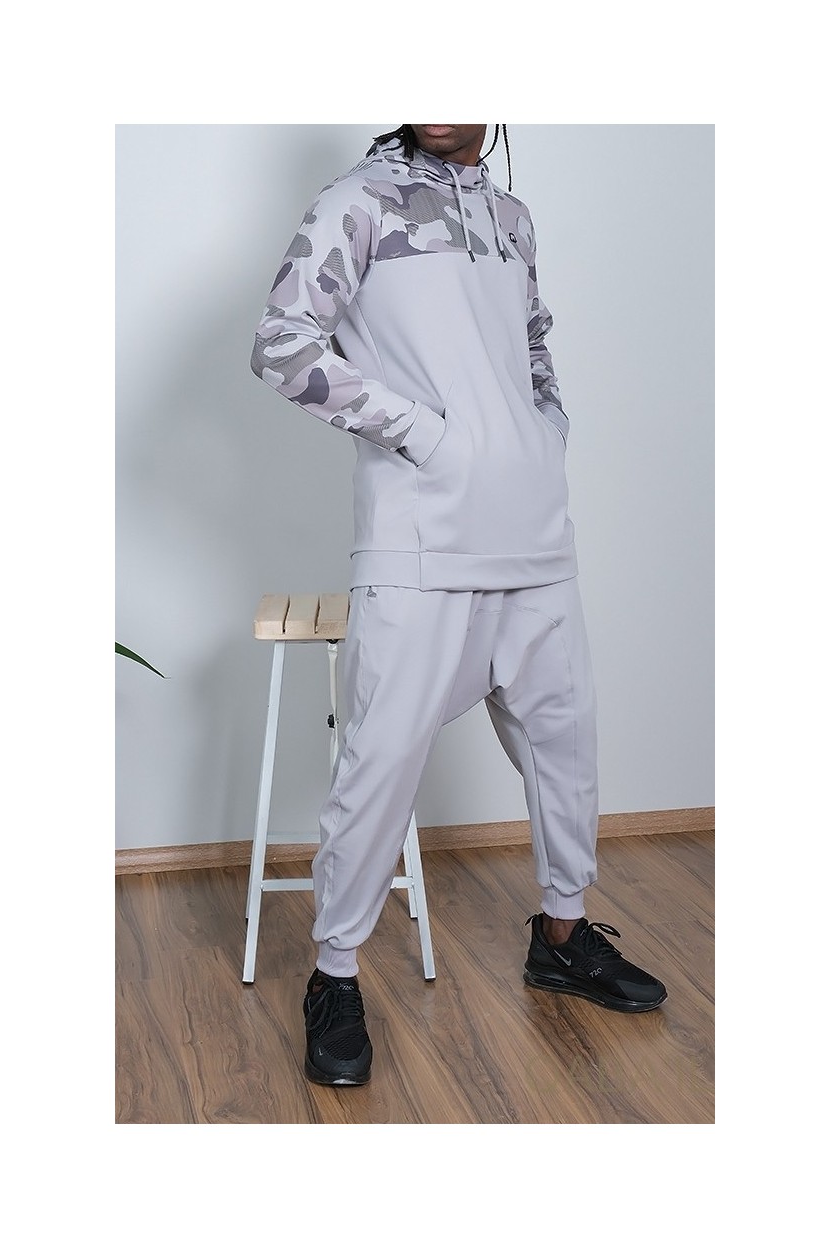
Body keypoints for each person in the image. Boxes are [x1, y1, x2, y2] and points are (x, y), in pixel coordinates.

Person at [251, 124, 666, 1087]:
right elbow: (281, 343)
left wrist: (543, 433)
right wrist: (424, 434)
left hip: (535, 532)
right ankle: (335, 974)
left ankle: (563, 935)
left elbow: (533, 344)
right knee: (381, 759)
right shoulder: (358, 202)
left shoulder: (512, 219)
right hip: (420, 537)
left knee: (565, 744)